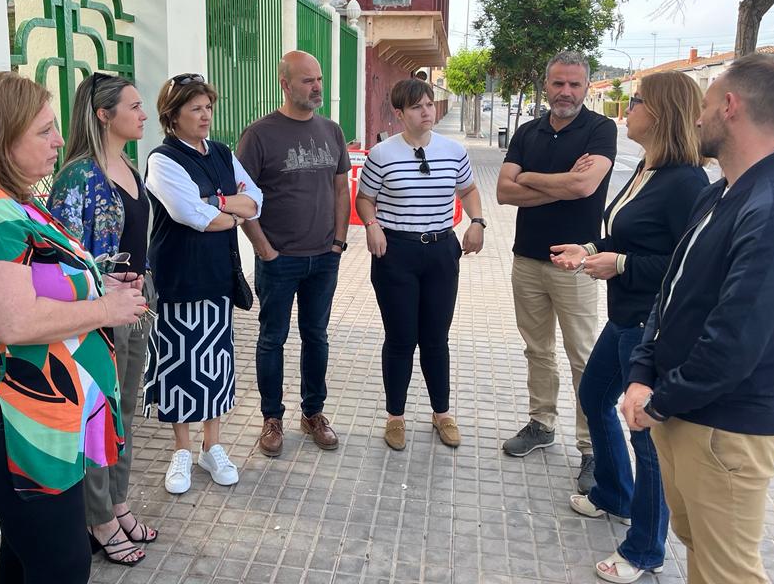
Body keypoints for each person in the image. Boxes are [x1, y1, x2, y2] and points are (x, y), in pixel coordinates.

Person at [0, 72, 147, 584]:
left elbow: (31, 282)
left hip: (35, 415)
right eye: (44, 131)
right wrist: (105, 309)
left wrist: (96, 284)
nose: (59, 140)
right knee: (61, 565)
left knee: (26, 558)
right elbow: (13, 320)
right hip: (14, 416)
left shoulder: (3, 199)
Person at [622, 54, 774, 584]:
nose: (696, 117)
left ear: (730, 107)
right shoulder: (721, 192)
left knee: (728, 571)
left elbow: (735, 342)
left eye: (705, 105)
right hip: (682, 413)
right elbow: (672, 292)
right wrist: (642, 372)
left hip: (725, 429)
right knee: (703, 556)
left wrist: (659, 400)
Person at [549, 72, 709, 583]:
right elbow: (626, 234)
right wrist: (589, 250)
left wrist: (619, 265)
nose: (627, 107)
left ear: (660, 113)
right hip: (623, 317)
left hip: (649, 325)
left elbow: (686, 266)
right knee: (594, 397)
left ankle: (644, 548)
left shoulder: (686, 182)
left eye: (636, 101)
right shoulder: (647, 167)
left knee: (646, 436)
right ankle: (614, 494)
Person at [47, 73, 157, 566]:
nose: (143, 114)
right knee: (96, 413)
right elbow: (61, 256)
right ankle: (98, 518)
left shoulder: (129, 167)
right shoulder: (77, 176)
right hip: (98, 309)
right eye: (134, 106)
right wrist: (101, 287)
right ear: (103, 115)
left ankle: (117, 501)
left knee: (124, 409)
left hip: (135, 301)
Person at [496, 50, 617, 493]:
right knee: (537, 350)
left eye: (574, 84)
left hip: (577, 262)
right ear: (546, 86)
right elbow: (503, 192)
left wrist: (530, 177)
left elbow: (585, 186)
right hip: (527, 259)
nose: (566, 92)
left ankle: (591, 446)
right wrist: (562, 184)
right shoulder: (528, 132)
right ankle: (541, 424)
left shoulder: (600, 130)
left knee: (582, 355)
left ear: (586, 87)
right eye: (558, 83)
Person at [142, 73, 262, 495]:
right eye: (195, 108)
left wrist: (218, 203)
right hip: (178, 276)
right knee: (178, 363)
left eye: (208, 106)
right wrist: (228, 212)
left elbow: (256, 200)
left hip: (218, 275)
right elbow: (190, 215)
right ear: (172, 115)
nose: (205, 114)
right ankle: (181, 450)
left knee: (216, 362)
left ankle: (213, 446)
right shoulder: (163, 159)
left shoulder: (223, 153)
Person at [356, 78, 484, 451]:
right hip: (396, 253)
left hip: (441, 251)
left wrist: (477, 222)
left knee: (436, 338)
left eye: (428, 104)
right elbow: (365, 198)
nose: (426, 111)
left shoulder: (453, 151)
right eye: (416, 107)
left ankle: (441, 413)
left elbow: (468, 189)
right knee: (400, 339)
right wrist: (372, 225)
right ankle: (395, 417)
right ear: (400, 114)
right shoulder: (382, 154)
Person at [236, 50, 351, 457]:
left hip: (324, 257)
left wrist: (338, 242)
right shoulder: (259, 135)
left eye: (319, 79)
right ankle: (272, 418)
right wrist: (264, 249)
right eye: (307, 80)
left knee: (316, 336)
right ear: (285, 84)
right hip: (278, 260)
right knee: (272, 338)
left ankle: (313, 413)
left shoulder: (332, 131)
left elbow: (341, 188)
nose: (317, 87)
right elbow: (241, 198)